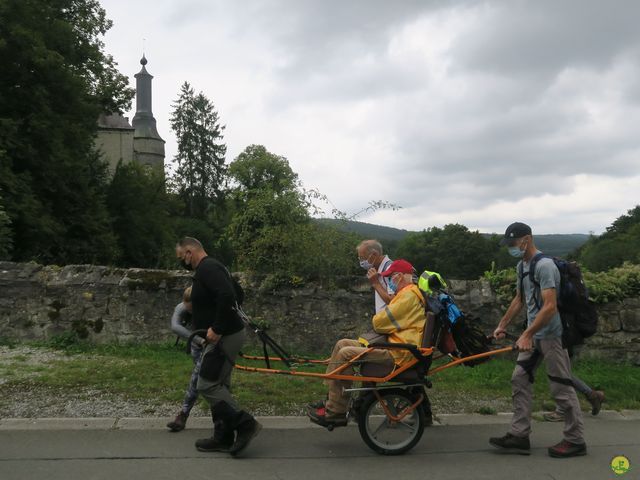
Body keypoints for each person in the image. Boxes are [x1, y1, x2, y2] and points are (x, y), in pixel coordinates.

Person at [490, 222, 587, 458]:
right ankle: (519, 435)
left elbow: (550, 307)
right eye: (509, 244)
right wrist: (503, 324)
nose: (511, 247)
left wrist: (527, 334)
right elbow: (519, 299)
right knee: (519, 379)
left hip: (552, 335)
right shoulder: (522, 266)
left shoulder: (545, 267)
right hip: (533, 335)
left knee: (561, 388)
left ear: (527, 239)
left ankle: (575, 440)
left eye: (514, 243)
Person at [307, 259, 427, 426]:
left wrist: (381, 319)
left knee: (345, 353)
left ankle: (336, 410)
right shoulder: (406, 294)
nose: (390, 281)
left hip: (398, 353)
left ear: (399, 276)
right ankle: (332, 396)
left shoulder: (408, 296)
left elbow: (379, 323)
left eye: (391, 277)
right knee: (342, 343)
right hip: (395, 346)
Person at [176, 237, 261, 455]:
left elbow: (228, 295)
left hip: (225, 336)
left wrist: (218, 327)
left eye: (181, 257)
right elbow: (237, 294)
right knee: (220, 384)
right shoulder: (213, 267)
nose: (181, 262)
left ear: (189, 252)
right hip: (224, 335)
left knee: (207, 384)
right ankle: (222, 437)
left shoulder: (207, 268)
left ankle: (245, 424)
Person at [166, 287, 207, 432]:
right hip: (197, 344)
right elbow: (175, 326)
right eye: (188, 310)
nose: (190, 312)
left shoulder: (209, 307)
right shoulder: (181, 308)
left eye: (192, 310)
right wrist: (198, 340)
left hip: (213, 344)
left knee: (199, 378)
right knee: (202, 380)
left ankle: (183, 415)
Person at [356, 240, 394, 313]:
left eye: (363, 258)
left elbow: (393, 301)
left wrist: (375, 283)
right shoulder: (378, 270)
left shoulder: (390, 270)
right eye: (360, 259)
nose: (361, 262)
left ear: (374, 255)